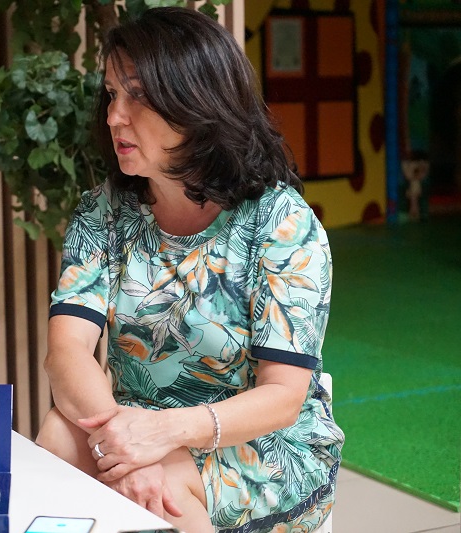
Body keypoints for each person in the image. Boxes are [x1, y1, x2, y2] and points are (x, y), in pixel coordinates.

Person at [35, 7, 344, 533]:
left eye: (137, 96)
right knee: (59, 438)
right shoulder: (103, 212)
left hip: (261, 444)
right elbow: (66, 352)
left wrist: (163, 437)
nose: (114, 116)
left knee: (166, 491)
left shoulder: (280, 223)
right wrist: (129, 444)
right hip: (137, 425)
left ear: (196, 104)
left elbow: (283, 397)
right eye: (112, 94)